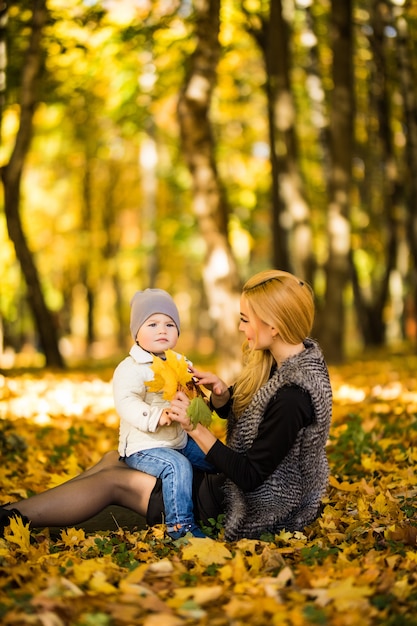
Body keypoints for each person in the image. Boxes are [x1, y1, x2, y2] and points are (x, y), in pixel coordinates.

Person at [0, 269, 332, 542]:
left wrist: (194, 429)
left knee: (114, 481)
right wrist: (221, 395)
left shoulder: (294, 395)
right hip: (224, 479)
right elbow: (257, 418)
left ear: (272, 326)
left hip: (240, 502)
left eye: (245, 319)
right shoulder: (281, 362)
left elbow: (251, 476)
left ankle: (11, 519)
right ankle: (15, 513)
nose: (241, 327)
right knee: (113, 458)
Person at [114, 288, 214, 539]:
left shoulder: (180, 362)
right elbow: (125, 402)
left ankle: (228, 501)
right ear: (136, 333)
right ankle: (181, 528)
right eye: (153, 324)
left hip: (177, 440)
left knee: (214, 457)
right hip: (144, 446)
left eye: (170, 324)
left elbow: (192, 393)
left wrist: (197, 397)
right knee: (176, 465)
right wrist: (157, 416)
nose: (162, 330)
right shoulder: (131, 368)